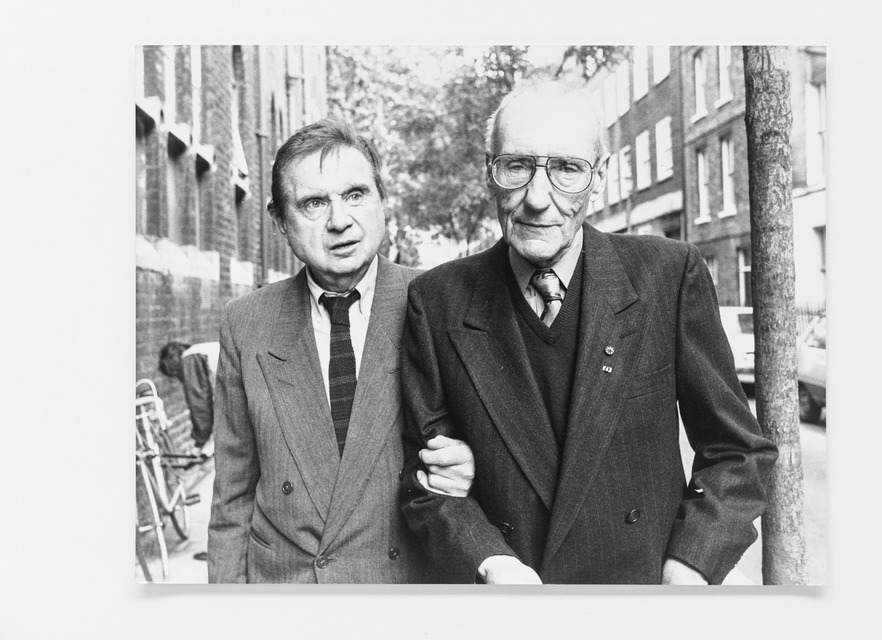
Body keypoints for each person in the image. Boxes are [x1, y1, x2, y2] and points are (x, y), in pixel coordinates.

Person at [400, 80, 779, 585]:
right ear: (489, 172)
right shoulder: (437, 300)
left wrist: (690, 564)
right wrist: (490, 561)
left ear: (599, 177)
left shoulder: (668, 276)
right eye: (516, 166)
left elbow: (737, 452)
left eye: (567, 169)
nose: (538, 198)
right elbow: (426, 486)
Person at [208, 117, 473, 583]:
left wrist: (471, 464)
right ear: (280, 222)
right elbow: (232, 500)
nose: (340, 220)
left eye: (355, 195)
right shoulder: (245, 323)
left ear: (382, 201)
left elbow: (500, 462)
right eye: (313, 203)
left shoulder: (439, 303)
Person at [158, 340, 219, 455]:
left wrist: (201, 440)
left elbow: (200, 403)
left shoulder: (189, 359)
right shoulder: (202, 350)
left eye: (175, 374)